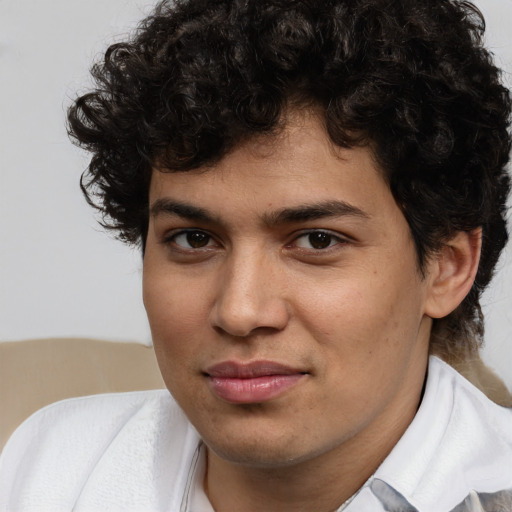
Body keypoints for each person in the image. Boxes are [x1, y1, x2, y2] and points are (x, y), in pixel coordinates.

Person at [1, 0, 511, 510]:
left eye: (317, 240)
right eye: (193, 239)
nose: (240, 311)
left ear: (448, 266)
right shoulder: (48, 465)